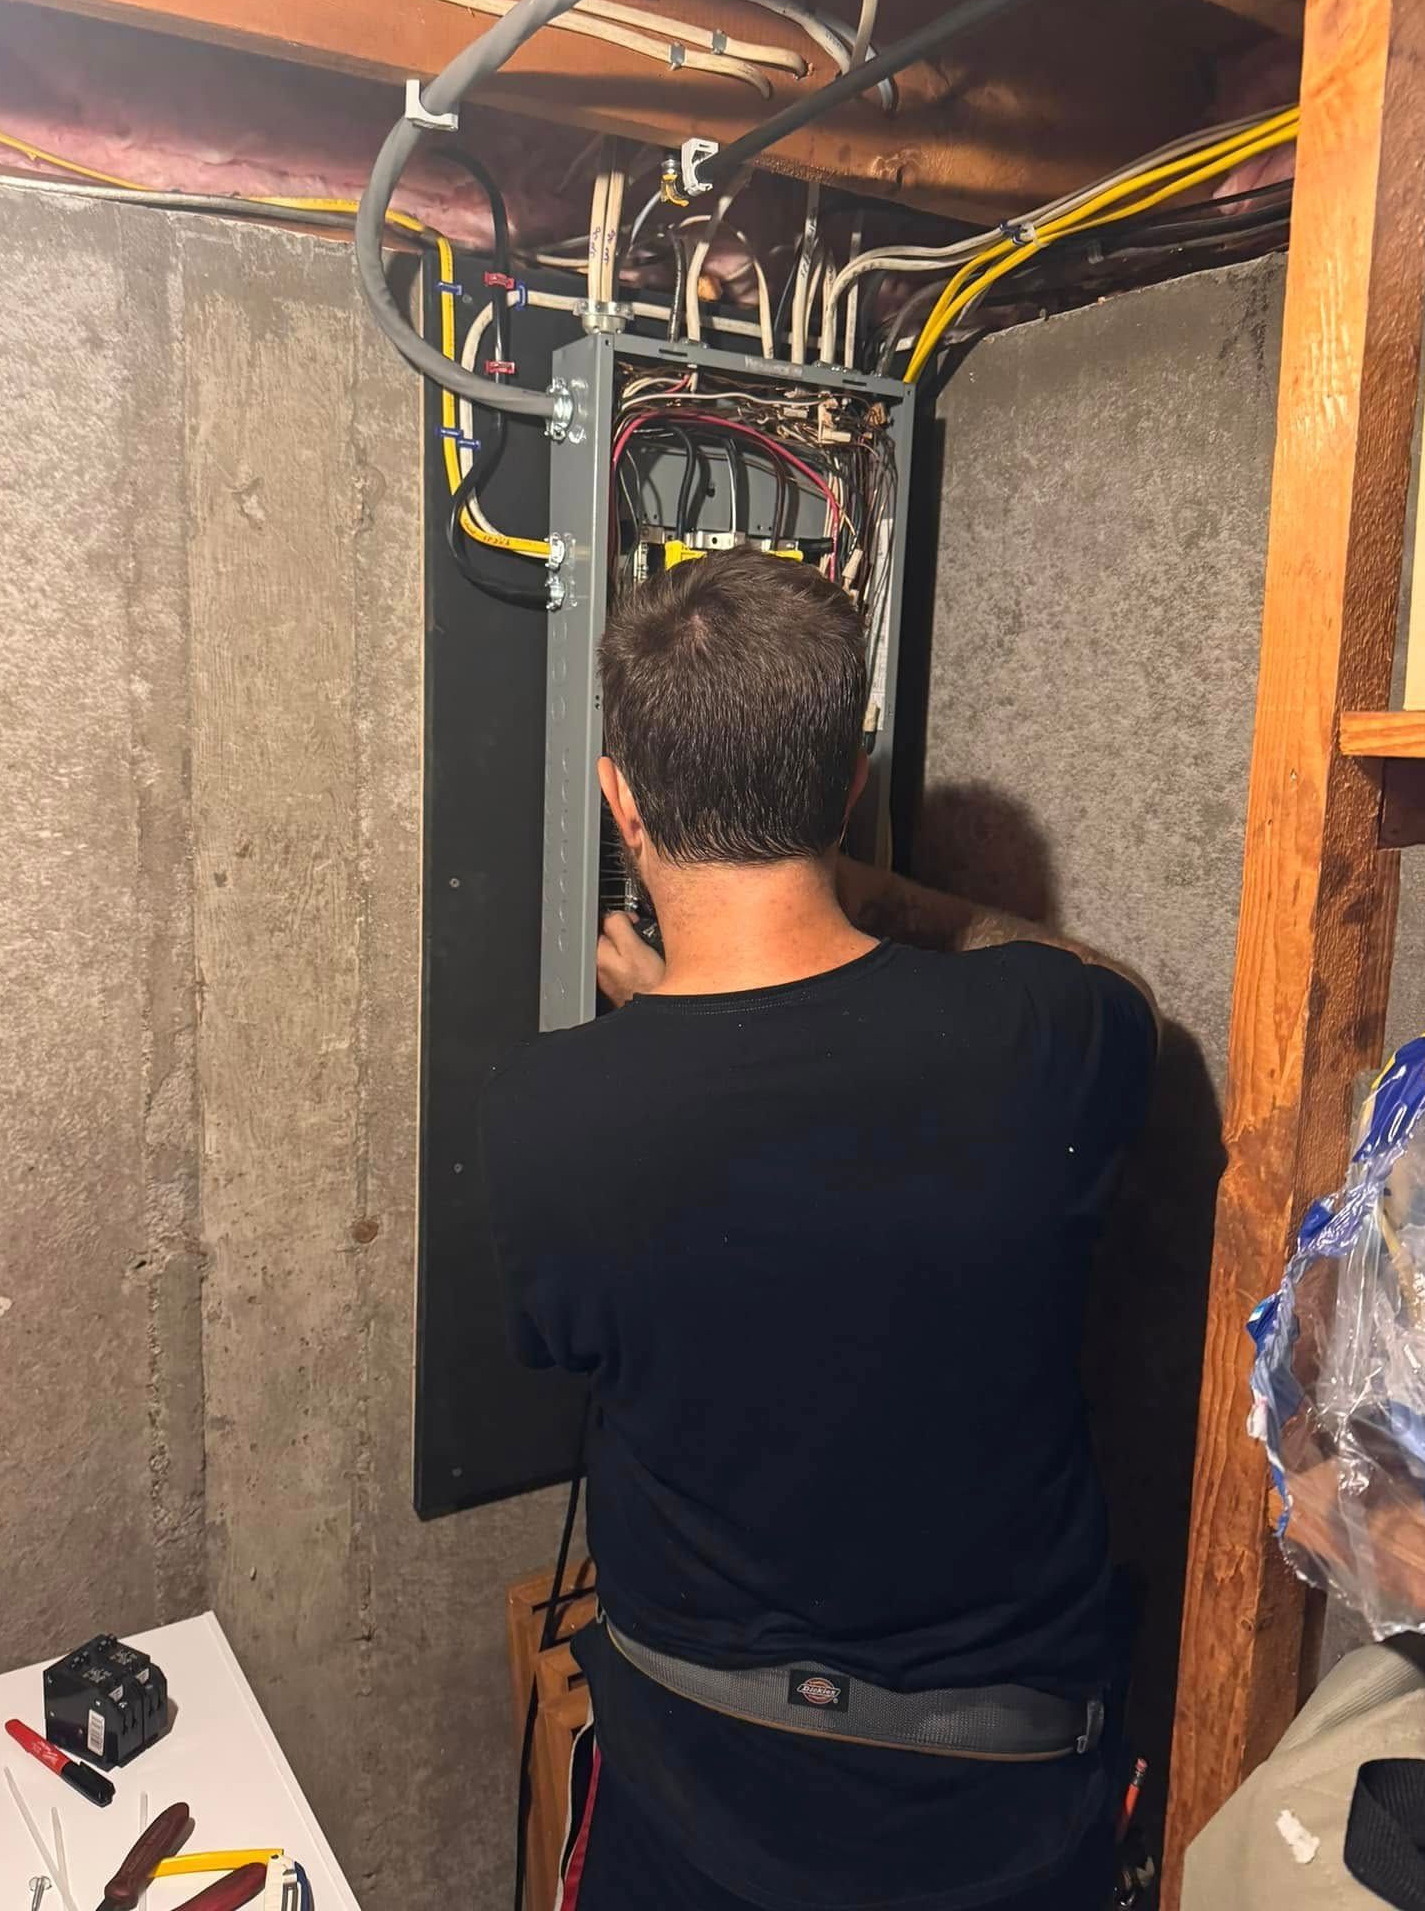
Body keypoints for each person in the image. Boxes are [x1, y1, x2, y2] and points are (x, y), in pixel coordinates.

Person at [480, 549, 1159, 1911]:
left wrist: (664, 1015)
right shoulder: (1051, 1041)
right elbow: (1116, 989)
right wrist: (882, 893)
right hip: (1005, 1814)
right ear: (847, 787)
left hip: (694, 1797)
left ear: (621, 799)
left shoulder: (549, 1116)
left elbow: (574, 1335)